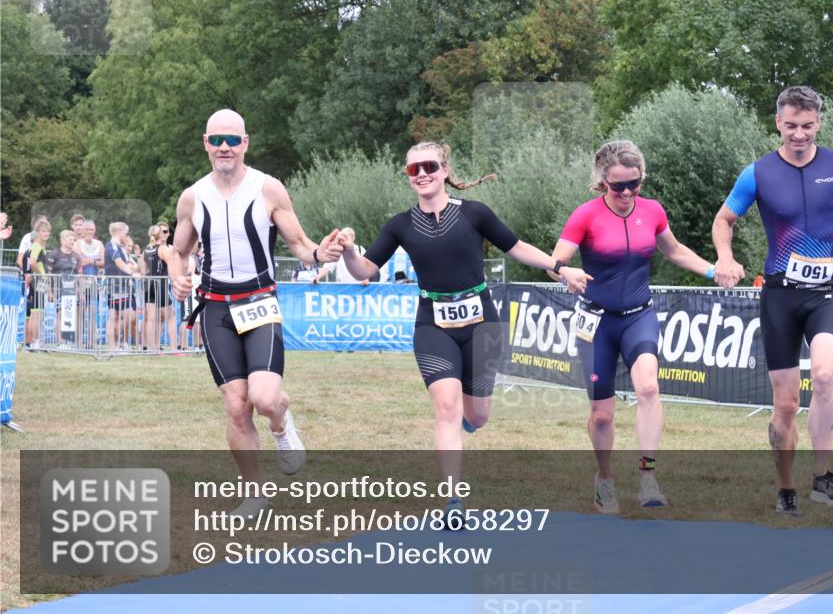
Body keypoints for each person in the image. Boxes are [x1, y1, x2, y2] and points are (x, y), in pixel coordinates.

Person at [338, 141, 590, 520]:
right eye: (413, 170)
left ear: (444, 170)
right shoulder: (400, 225)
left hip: (481, 323)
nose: (421, 174)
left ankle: (466, 426)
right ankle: (453, 501)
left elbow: (517, 247)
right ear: (408, 178)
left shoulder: (475, 214)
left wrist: (561, 267)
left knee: (479, 414)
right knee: (446, 408)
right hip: (432, 324)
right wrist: (347, 252)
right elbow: (364, 272)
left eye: (428, 166)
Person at [712, 86, 833, 516]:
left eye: (807, 126)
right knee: (785, 404)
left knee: (823, 376)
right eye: (791, 126)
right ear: (777, 123)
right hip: (780, 295)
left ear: (819, 123)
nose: (799, 134)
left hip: (827, 294)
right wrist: (724, 257)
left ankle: (822, 477)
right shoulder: (758, 173)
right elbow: (724, 220)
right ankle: (786, 490)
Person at [165, 108, 344, 519]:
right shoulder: (192, 197)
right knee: (235, 406)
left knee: (264, 400)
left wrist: (321, 253)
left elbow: (300, 245)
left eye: (232, 140)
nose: (224, 147)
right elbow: (179, 251)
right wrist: (178, 278)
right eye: (216, 140)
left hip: (259, 302)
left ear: (246, 143)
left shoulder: (269, 189)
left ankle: (282, 426)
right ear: (205, 144)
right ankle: (254, 492)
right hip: (215, 309)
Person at [551, 140, 720, 513]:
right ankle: (605, 479)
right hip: (596, 321)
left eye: (634, 184)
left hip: (639, 316)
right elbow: (555, 259)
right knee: (602, 414)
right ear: (602, 182)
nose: (627, 193)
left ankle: (647, 476)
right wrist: (567, 271)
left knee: (648, 387)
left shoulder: (653, 211)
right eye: (618, 186)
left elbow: (673, 251)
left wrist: (712, 269)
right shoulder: (586, 215)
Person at [105, 222, 141, 350]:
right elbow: (118, 262)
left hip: (121, 287)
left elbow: (130, 264)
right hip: (116, 286)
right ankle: (113, 345)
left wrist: (139, 261)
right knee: (122, 316)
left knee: (116, 317)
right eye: (125, 233)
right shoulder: (112, 246)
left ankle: (116, 345)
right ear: (119, 232)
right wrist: (132, 273)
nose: (126, 236)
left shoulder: (120, 247)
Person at [144, 224, 177, 352]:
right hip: (160, 284)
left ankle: (154, 349)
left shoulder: (146, 249)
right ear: (160, 235)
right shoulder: (163, 248)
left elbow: (143, 269)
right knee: (170, 317)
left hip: (148, 284)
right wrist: (175, 280)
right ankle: (174, 349)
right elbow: (172, 265)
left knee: (152, 318)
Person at [48, 230, 82, 346]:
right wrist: (49, 291)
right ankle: (60, 341)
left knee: (72, 315)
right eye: (70, 240)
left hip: (71, 290)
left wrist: (79, 292)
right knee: (61, 314)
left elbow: (78, 276)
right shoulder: (54, 254)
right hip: (58, 289)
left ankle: (71, 342)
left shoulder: (76, 257)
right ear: (62, 241)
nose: (72, 242)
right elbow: (48, 274)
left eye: (74, 240)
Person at [75, 220, 105, 348]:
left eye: (92, 229)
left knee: (93, 313)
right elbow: (77, 263)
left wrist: (91, 261)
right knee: (80, 313)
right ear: (83, 230)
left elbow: (103, 262)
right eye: (87, 229)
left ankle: (91, 343)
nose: (89, 232)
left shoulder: (99, 244)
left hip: (94, 282)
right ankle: (79, 343)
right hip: (81, 282)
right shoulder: (77, 244)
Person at [23, 220, 51, 349]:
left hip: (35, 281)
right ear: (37, 232)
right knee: (37, 313)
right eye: (43, 231)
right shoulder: (37, 246)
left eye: (48, 231)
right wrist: (40, 275)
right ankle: (35, 342)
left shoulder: (33, 247)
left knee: (33, 313)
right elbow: (33, 262)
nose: (46, 234)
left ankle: (30, 343)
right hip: (38, 282)